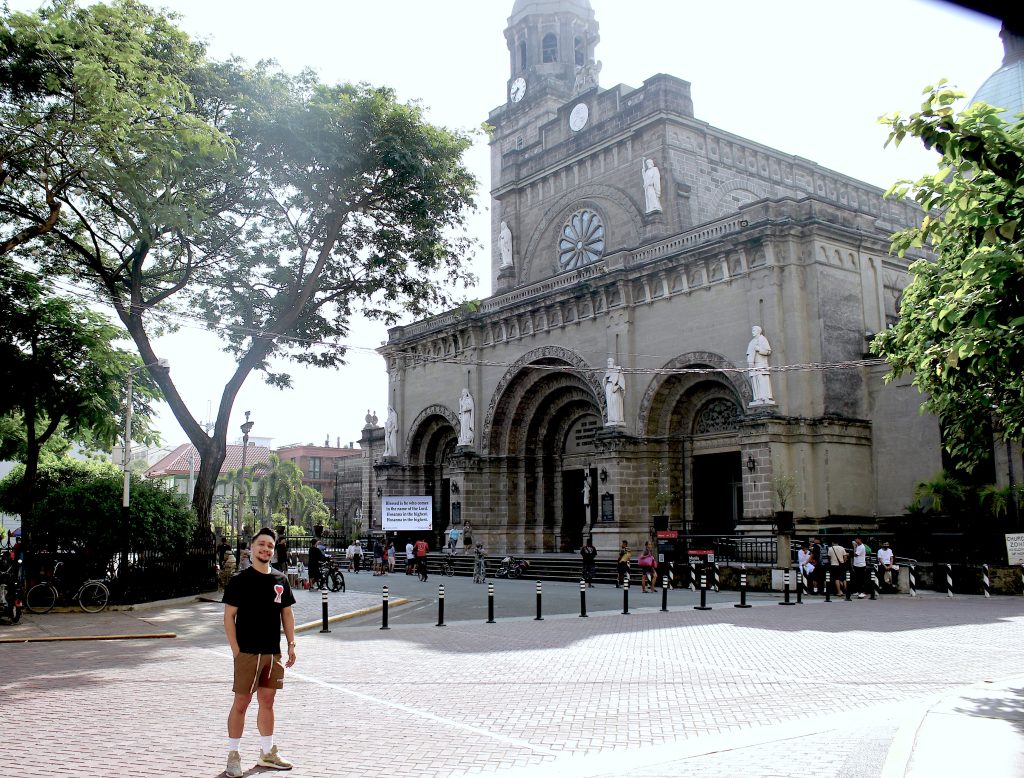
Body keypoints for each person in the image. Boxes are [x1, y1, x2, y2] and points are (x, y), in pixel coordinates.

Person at [222, 527, 296, 777]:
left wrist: (291, 644)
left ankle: (267, 753)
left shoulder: (280, 579)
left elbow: (287, 613)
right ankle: (233, 755)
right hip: (247, 652)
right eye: (261, 544)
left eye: (270, 546)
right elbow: (229, 617)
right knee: (241, 703)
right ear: (251, 548)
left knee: (268, 702)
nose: (266, 549)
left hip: (272, 653)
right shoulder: (240, 580)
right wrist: (236, 651)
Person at [746, 325, 775, 406]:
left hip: (761, 363)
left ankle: (765, 397)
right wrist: (750, 362)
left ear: (759, 331)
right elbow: (748, 353)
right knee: (755, 380)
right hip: (753, 365)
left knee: (762, 379)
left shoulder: (762, 339)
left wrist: (759, 349)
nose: (753, 332)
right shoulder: (751, 342)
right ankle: (757, 398)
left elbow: (768, 351)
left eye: (754, 330)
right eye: (752, 331)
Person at [603, 358, 626, 427]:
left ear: (613, 362)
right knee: (610, 404)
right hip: (609, 388)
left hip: (615, 390)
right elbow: (605, 380)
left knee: (615, 403)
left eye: (609, 361)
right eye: (608, 361)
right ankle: (611, 419)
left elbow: (622, 381)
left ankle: (617, 418)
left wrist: (617, 387)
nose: (608, 363)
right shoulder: (607, 371)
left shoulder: (617, 370)